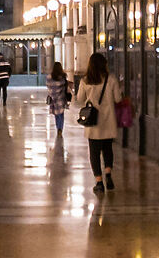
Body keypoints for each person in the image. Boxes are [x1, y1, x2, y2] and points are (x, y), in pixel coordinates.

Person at [74, 51, 125, 194]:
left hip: (93, 122)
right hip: (108, 121)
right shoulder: (111, 79)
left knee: (94, 153)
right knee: (108, 149)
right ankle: (108, 173)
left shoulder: (85, 80)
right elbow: (118, 99)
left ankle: (99, 182)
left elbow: (79, 98)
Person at [45, 61, 71, 144]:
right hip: (61, 98)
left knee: (56, 114)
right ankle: (60, 128)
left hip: (53, 98)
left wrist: (52, 93)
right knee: (61, 114)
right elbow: (65, 86)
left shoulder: (49, 77)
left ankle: (58, 128)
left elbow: (48, 86)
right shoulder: (63, 77)